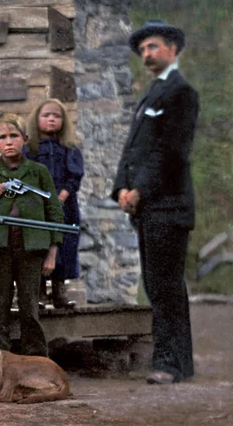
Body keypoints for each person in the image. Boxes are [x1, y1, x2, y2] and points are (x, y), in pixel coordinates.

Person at [112, 19, 200, 385]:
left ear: (173, 49)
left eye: (154, 47)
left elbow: (169, 152)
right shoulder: (153, 92)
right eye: (143, 49)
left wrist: (141, 190)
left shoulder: (180, 92)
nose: (147, 54)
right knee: (157, 285)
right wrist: (121, 187)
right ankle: (177, 361)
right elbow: (134, 149)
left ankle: (170, 363)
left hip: (169, 206)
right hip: (149, 207)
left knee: (165, 286)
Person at [0, 113, 64, 357]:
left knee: (30, 306)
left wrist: (52, 251)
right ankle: (1, 359)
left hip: (32, 249)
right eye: (2, 137)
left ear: (25, 139)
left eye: (14, 136)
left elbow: (54, 211)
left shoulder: (38, 172)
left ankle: (36, 359)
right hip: (0, 248)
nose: (8, 141)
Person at [25, 98, 84, 308]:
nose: (51, 119)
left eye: (56, 116)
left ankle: (59, 291)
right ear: (37, 119)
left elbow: (74, 176)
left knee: (65, 246)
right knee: (40, 245)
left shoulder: (69, 148)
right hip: (38, 206)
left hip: (65, 205)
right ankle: (39, 291)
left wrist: (62, 196)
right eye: (46, 115)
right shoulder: (30, 148)